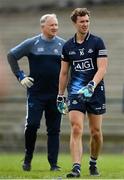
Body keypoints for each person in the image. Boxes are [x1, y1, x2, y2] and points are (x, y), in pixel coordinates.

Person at [7, 14, 65, 171]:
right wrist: (21, 76)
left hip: (56, 94)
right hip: (36, 94)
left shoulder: (63, 45)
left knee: (54, 130)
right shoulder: (32, 43)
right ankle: (28, 158)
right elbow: (11, 55)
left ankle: (54, 164)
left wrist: (67, 89)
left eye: (56, 25)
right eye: (51, 25)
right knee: (32, 125)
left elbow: (70, 68)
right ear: (43, 27)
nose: (55, 27)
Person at [57, 8, 108, 178]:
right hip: (75, 92)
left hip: (95, 90)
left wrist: (92, 85)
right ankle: (76, 167)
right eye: (82, 21)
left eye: (87, 21)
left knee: (95, 132)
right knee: (76, 128)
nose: (85, 24)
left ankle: (93, 163)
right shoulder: (67, 46)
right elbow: (64, 73)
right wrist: (60, 94)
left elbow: (102, 68)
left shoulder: (97, 42)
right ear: (75, 23)